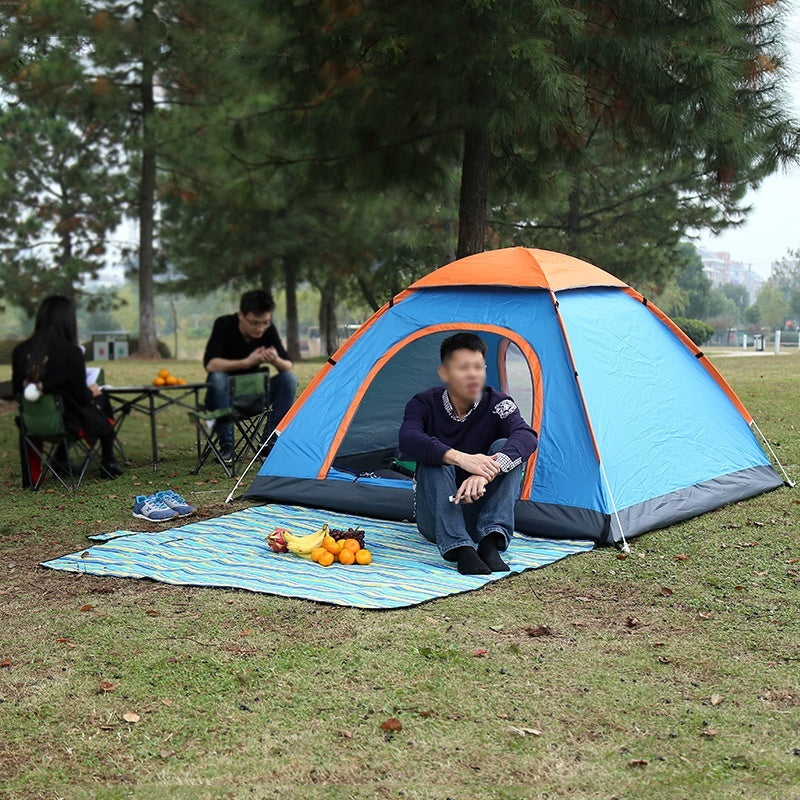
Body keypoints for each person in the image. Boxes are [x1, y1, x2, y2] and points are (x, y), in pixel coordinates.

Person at [398, 333, 538, 575]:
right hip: (436, 518)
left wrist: (484, 473)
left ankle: (490, 541)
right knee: (433, 456)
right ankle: (460, 549)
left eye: (478, 367)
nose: (473, 374)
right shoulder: (423, 403)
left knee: (508, 447)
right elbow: (408, 439)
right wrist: (461, 458)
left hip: (479, 512)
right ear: (444, 373)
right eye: (464, 368)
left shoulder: (498, 403)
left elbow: (527, 436)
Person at [12, 295, 123, 481]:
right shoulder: (71, 353)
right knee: (101, 400)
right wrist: (92, 391)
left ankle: (60, 459)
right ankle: (108, 460)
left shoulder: (20, 351)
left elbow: (18, 390)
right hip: (66, 423)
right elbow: (82, 398)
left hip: (31, 423)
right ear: (68, 322)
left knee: (71, 409)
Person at [203, 289, 298, 462]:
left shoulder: (268, 331)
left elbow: (288, 365)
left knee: (289, 379)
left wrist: (275, 360)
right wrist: (247, 362)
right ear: (241, 315)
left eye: (265, 323)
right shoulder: (224, 325)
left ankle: (269, 443)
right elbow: (211, 364)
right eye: (255, 323)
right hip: (223, 397)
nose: (260, 328)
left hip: (254, 396)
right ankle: (227, 447)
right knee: (217, 378)